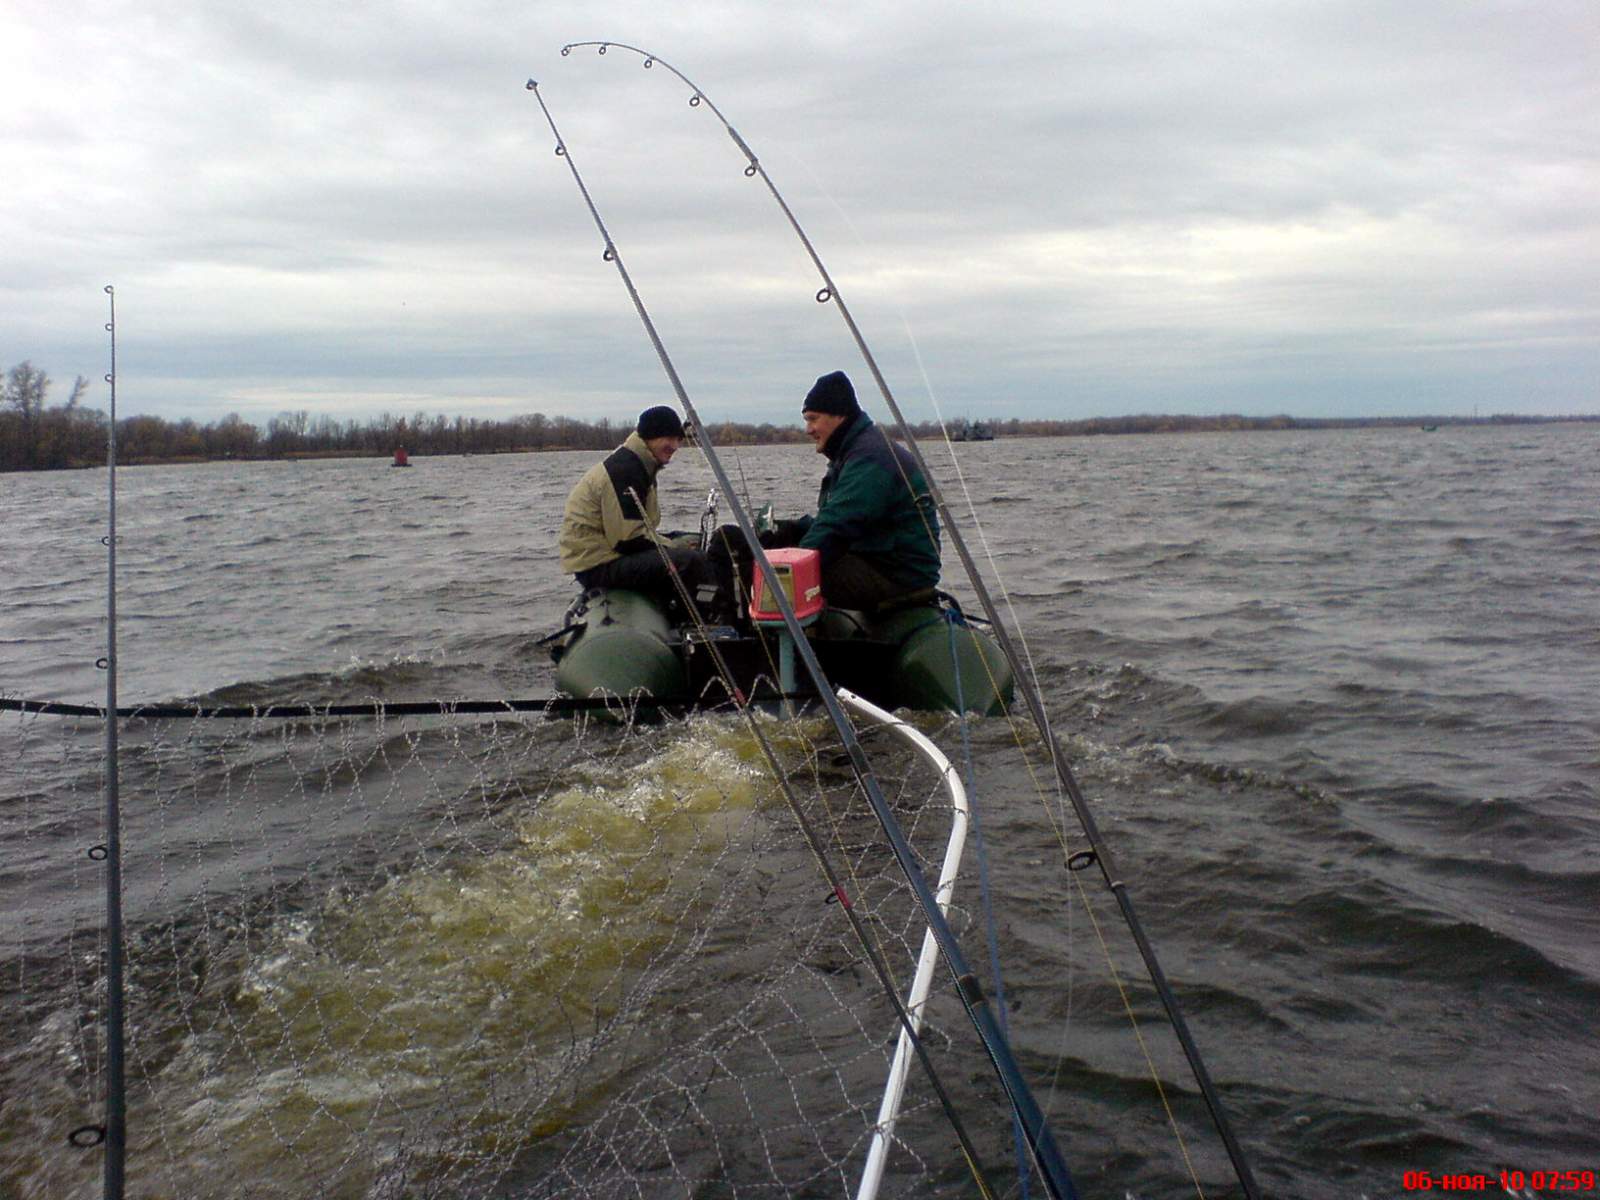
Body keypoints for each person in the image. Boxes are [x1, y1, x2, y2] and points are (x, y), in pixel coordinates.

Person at [763, 370, 941, 611]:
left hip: (898, 575)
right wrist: (791, 531)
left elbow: (838, 526)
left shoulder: (871, 458)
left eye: (813, 419)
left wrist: (785, 567)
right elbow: (837, 518)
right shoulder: (854, 451)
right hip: (877, 559)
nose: (808, 429)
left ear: (839, 415)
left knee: (781, 578)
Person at [559, 406, 722, 617]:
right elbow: (626, 541)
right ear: (650, 437)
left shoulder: (640, 464)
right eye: (669, 438)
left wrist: (678, 542)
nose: (674, 446)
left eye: (678, 439)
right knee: (690, 561)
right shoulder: (625, 471)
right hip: (598, 566)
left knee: (694, 542)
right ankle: (708, 616)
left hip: (611, 555)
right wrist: (675, 547)